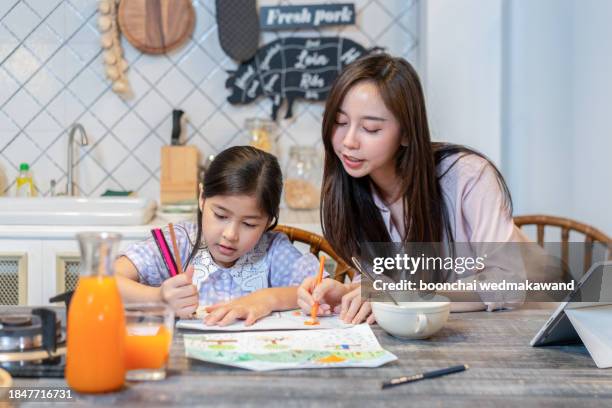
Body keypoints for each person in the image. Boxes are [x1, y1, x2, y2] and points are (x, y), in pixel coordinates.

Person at [297, 53, 527, 324]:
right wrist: (348, 292)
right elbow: (382, 285)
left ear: (406, 133)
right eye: (340, 122)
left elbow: (508, 284)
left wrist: (404, 296)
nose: (348, 141)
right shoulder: (352, 189)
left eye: (370, 128)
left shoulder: (468, 176)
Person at [114, 146, 319, 325]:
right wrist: (158, 298)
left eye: (249, 224)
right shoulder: (179, 242)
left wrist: (267, 298)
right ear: (202, 198)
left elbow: (320, 290)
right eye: (220, 215)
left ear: (268, 221)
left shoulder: (273, 251)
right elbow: (103, 281)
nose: (230, 235)